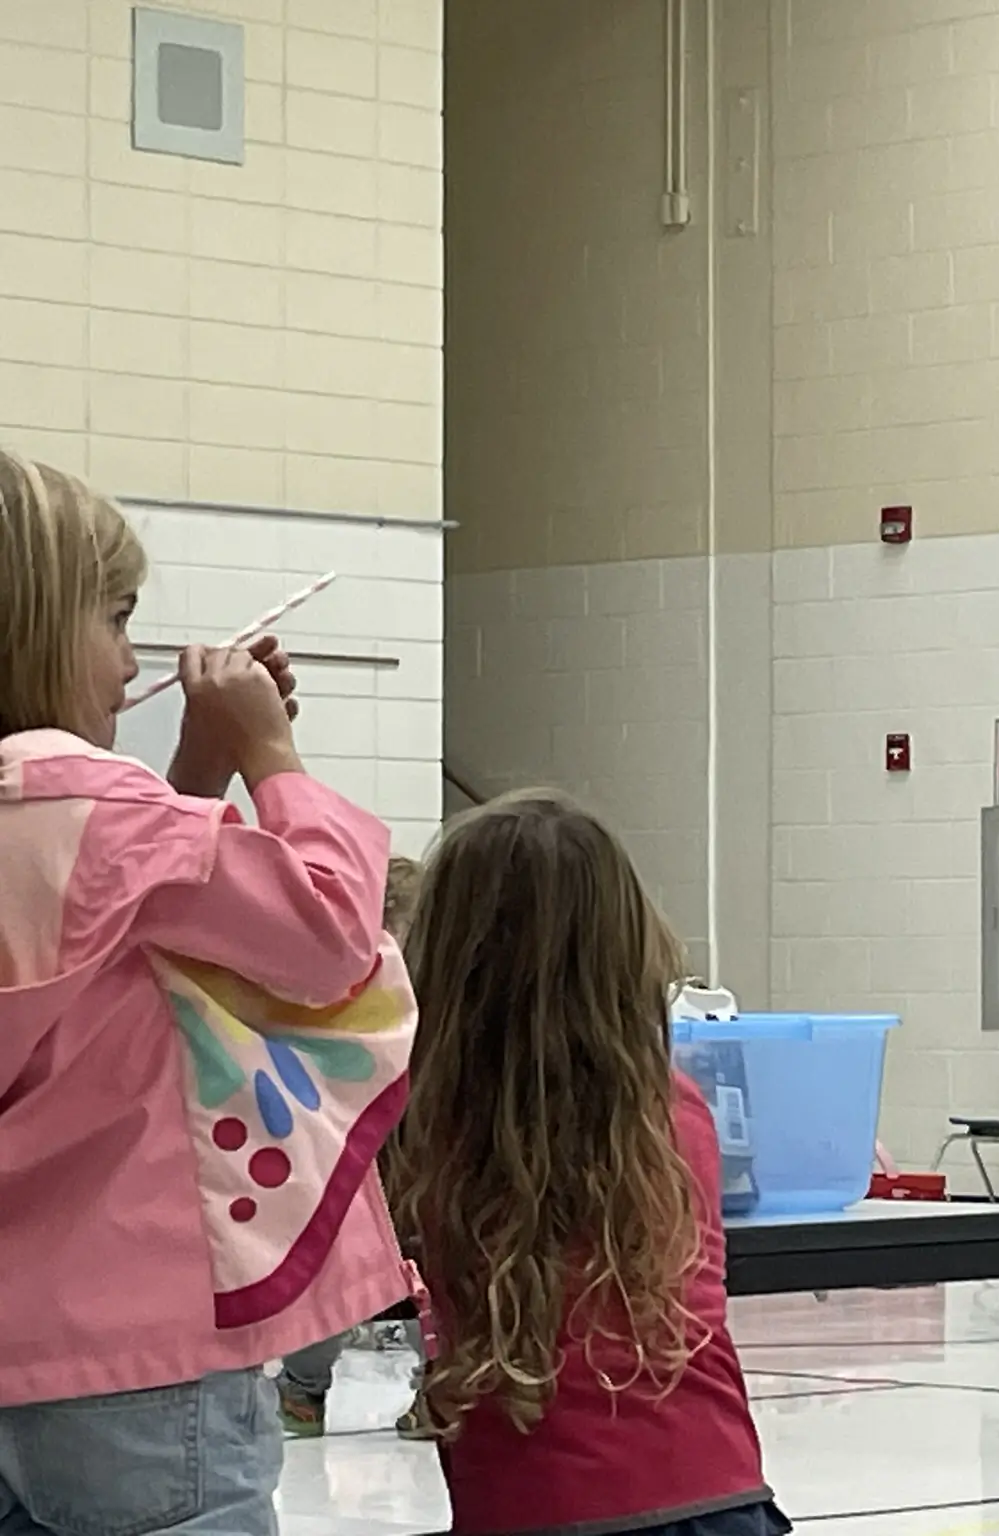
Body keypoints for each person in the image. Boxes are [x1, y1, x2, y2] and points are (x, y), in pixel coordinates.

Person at [0, 451, 414, 1535]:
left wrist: (191, 767)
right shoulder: (104, 811)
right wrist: (271, 757)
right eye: (118, 618)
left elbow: (115, 929)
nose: (129, 656)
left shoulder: (66, 823)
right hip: (136, 1343)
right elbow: (328, 937)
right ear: (42, 624)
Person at [390, 790, 788, 1536]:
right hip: (713, 1488)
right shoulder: (669, 1109)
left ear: (445, 957)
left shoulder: (426, 1123)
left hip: (537, 1504)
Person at [278, 856, 433, 1440]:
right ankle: (436, 1392)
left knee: (333, 1275)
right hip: (408, 1158)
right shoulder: (438, 993)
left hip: (353, 1155)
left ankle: (303, 1394)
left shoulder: (344, 984)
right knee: (432, 1277)